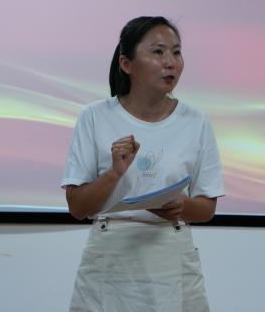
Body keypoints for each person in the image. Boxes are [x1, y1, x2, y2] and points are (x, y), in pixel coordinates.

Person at [61, 16, 224, 312]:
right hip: (110, 254)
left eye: (176, 52)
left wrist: (182, 206)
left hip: (171, 251)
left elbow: (207, 208)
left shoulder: (196, 121)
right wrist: (114, 174)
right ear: (126, 64)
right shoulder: (94, 116)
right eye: (158, 52)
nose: (170, 62)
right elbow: (77, 207)